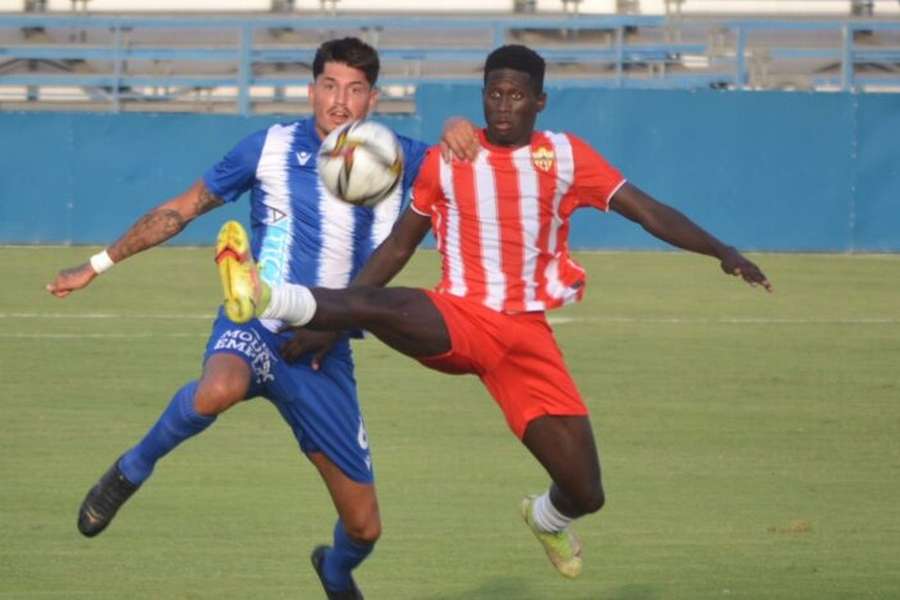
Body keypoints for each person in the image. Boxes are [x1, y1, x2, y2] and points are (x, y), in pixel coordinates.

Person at [217, 44, 773, 579]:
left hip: (526, 339)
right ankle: (264, 294)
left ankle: (544, 518)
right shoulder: (450, 160)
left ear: (539, 102)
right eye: (494, 95)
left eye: (515, 96)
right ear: (482, 96)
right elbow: (397, 248)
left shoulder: (566, 157)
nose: (503, 106)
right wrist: (326, 325)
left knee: (586, 491)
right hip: (459, 316)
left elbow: (647, 210)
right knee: (393, 303)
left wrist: (721, 250)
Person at [46, 37, 478, 600]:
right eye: (329, 86)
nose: (339, 102)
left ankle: (336, 571)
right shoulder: (269, 148)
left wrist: (455, 123)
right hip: (254, 320)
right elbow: (181, 208)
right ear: (310, 90)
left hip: (324, 351)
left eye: (353, 90)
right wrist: (98, 264)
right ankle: (131, 469)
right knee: (219, 387)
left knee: (364, 526)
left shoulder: (399, 157)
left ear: (373, 98)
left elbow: (471, 157)